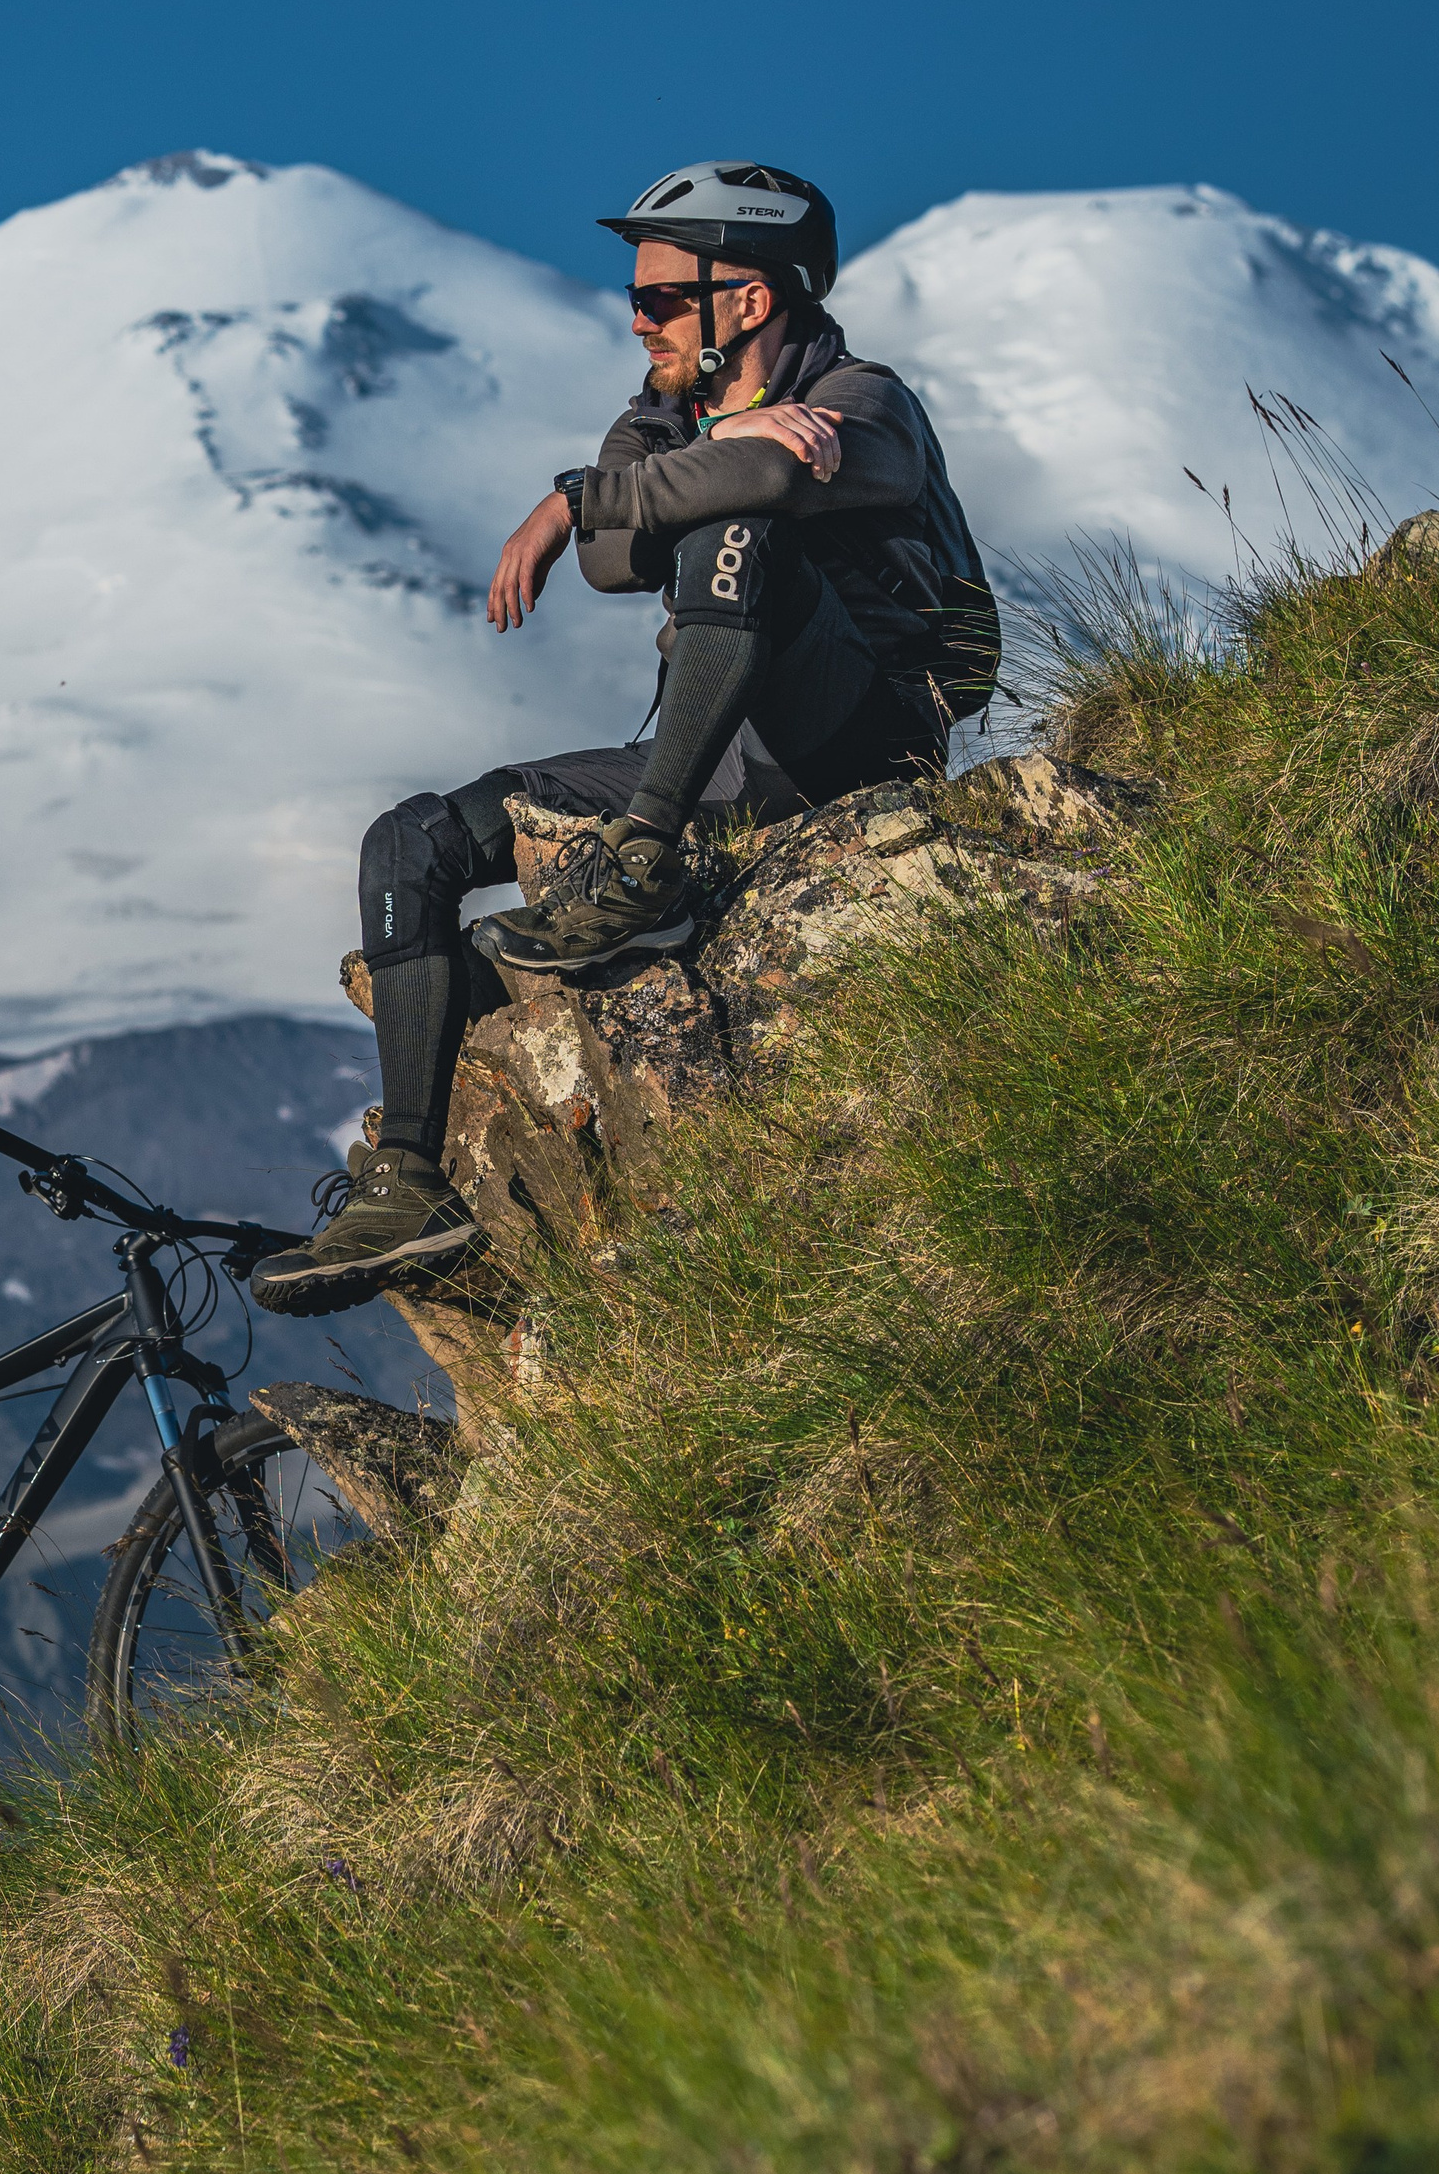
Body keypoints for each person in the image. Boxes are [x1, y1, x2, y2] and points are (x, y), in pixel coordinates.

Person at [253, 160, 998, 1321]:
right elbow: (615, 559)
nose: (636, 315)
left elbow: (742, 480)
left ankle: (642, 859)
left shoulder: (865, 399)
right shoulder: (658, 416)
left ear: (749, 300)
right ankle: (407, 1182)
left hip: (865, 736)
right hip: (736, 764)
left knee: (736, 521)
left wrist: (579, 495)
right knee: (410, 842)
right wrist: (608, 496)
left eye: (661, 297)